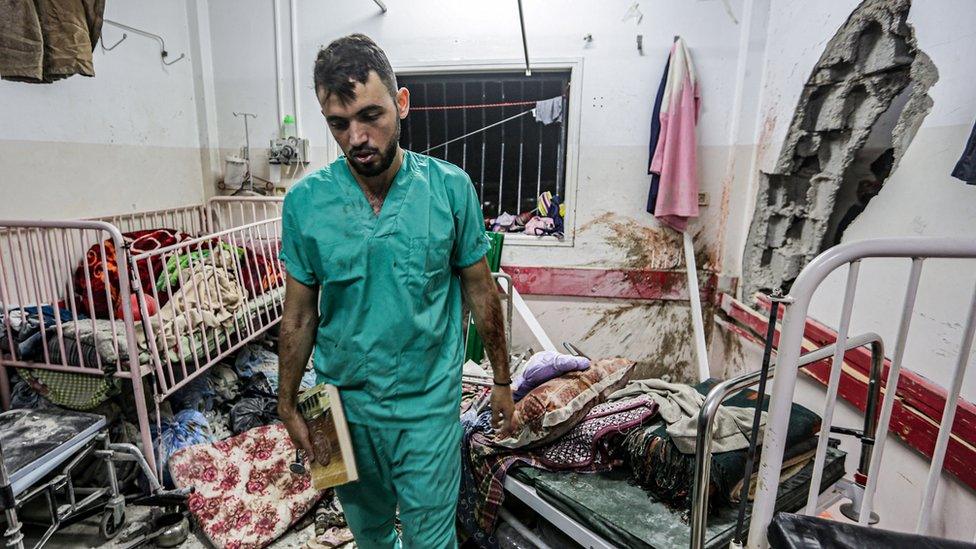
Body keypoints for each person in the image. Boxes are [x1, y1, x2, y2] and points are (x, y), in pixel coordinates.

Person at [276, 34, 515, 549]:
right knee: (367, 533)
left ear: (401, 103)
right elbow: (298, 317)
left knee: (431, 538)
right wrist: (286, 403)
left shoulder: (450, 190)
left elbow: (481, 293)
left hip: (426, 404)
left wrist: (501, 380)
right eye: (339, 124)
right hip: (333, 404)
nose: (357, 136)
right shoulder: (304, 204)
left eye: (370, 115)